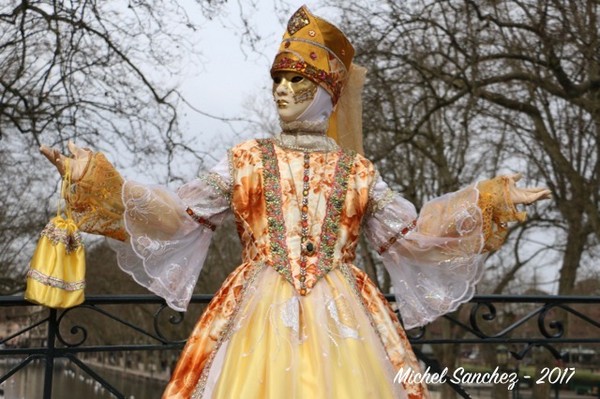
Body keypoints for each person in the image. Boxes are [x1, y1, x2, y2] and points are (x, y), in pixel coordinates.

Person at [40, 6, 550, 399]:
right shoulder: (244, 161)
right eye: (277, 80)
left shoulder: (358, 173)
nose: (281, 90)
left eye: (297, 80)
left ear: (327, 90)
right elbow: (177, 216)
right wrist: (103, 183)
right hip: (253, 317)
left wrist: (489, 201)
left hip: (347, 322)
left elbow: (415, 236)